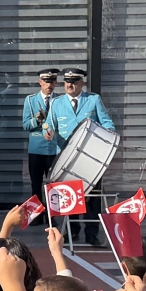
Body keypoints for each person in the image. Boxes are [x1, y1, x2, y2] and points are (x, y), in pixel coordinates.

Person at [47, 69, 113, 245]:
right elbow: (49, 124)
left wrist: (110, 131)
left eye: (74, 81)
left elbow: (106, 121)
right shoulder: (56, 103)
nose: (70, 85)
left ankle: (92, 234)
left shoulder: (93, 100)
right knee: (71, 197)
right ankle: (72, 231)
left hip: (91, 157)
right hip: (67, 159)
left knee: (93, 198)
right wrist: (48, 132)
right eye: (67, 81)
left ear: (82, 83)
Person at [21, 69, 60, 201]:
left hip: (54, 149)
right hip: (36, 149)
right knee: (36, 185)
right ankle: (37, 217)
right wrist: (36, 120)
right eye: (46, 82)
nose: (49, 85)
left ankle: (51, 218)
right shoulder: (30, 100)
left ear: (56, 82)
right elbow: (25, 125)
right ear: (40, 82)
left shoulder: (60, 100)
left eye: (52, 82)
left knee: (53, 186)